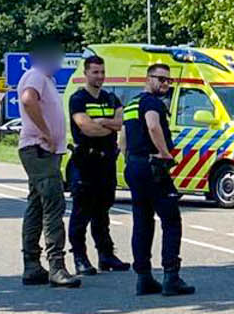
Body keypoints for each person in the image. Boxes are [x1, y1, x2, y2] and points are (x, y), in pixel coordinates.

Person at [121, 62, 195, 296]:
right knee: (171, 220)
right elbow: (153, 126)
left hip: (135, 165)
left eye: (168, 80)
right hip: (152, 166)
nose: (165, 84)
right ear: (148, 78)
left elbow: (123, 137)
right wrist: (164, 153)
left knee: (142, 221)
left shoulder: (132, 103)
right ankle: (171, 276)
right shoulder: (152, 103)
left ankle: (143, 278)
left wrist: (129, 158)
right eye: (161, 79)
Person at [16, 43, 78, 288]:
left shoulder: (44, 79)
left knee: (36, 205)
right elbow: (28, 99)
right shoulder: (36, 76)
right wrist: (46, 132)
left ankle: (32, 265)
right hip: (40, 149)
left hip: (42, 150)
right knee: (53, 204)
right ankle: (56, 266)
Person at [66, 53, 129, 277]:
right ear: (86, 73)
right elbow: (87, 128)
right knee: (81, 213)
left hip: (106, 161)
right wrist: (107, 127)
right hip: (85, 161)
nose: (100, 76)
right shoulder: (78, 99)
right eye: (95, 72)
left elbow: (122, 123)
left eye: (102, 72)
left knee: (103, 211)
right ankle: (80, 257)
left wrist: (103, 123)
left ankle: (106, 254)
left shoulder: (111, 98)